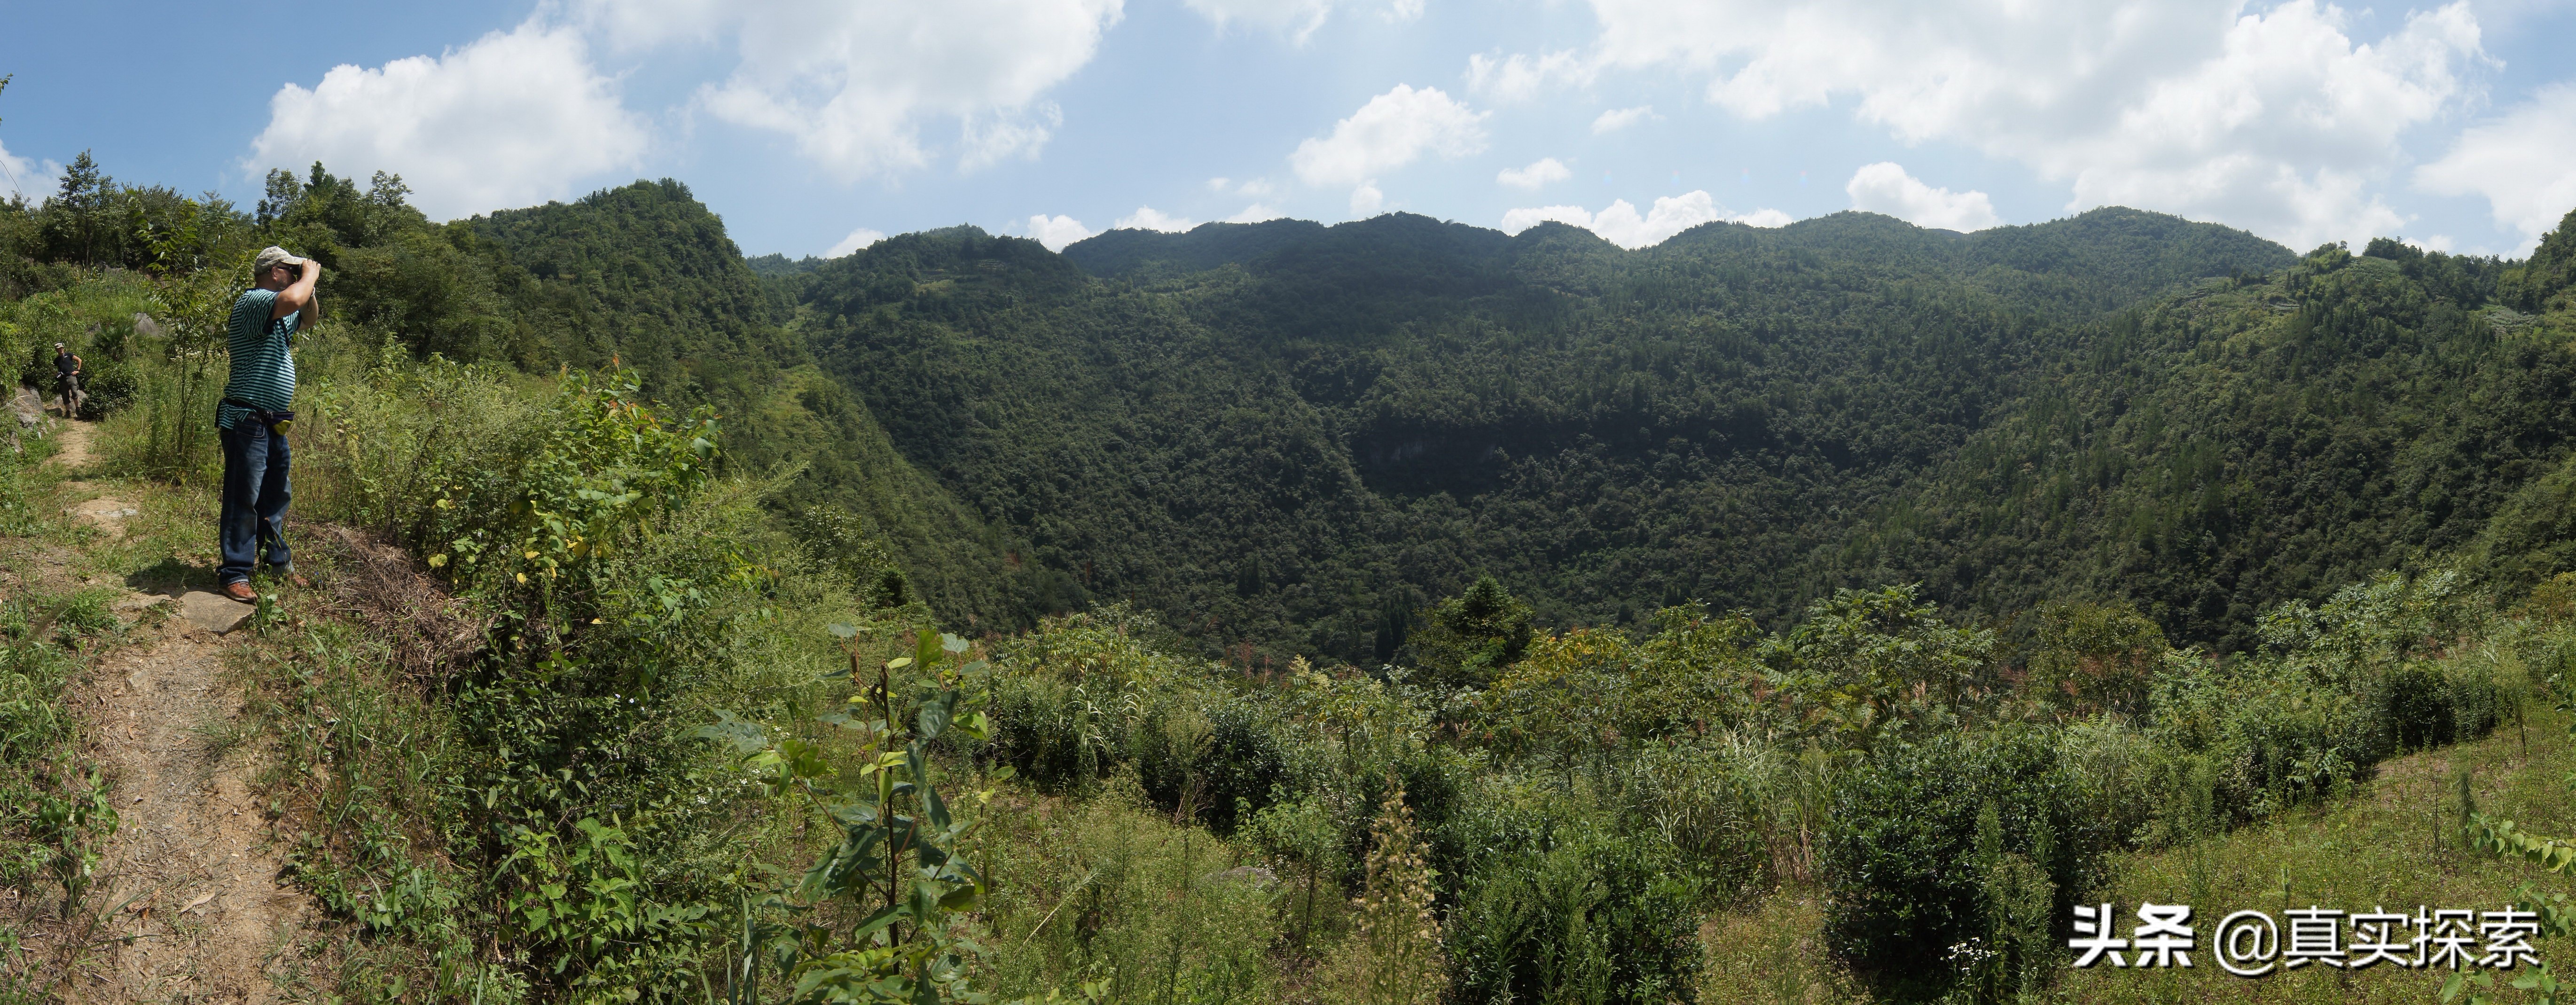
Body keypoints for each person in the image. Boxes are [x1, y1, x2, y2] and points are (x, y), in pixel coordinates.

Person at [216, 246, 318, 601]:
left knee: (276, 498)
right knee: (243, 499)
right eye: (289, 270)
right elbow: (294, 299)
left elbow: (308, 318)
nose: (293, 275)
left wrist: (310, 287)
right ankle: (235, 573)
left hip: (272, 422)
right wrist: (309, 276)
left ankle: (279, 565)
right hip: (247, 420)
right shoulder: (256, 300)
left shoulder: (279, 307)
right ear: (275, 272)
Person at [50, 342, 81, 418]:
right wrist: (56, 374)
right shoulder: (57, 360)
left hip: (71, 376)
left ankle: (78, 409)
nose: (61, 349)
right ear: (56, 350)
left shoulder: (69, 355)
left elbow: (79, 360)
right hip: (63, 379)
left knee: (75, 392)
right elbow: (51, 367)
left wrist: (78, 370)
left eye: (62, 348)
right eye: (59, 349)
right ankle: (68, 412)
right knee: (65, 395)